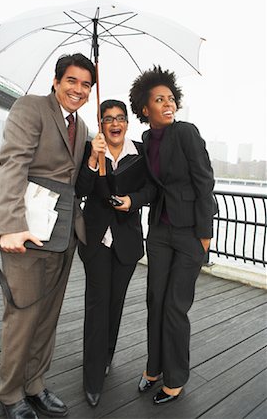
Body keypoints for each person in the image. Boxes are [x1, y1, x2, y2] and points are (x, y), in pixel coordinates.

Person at [0, 53, 96, 419]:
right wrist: (10, 226)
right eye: (72, 81)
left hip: (63, 234)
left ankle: (35, 384)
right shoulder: (30, 108)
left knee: (48, 317)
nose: (78, 90)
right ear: (56, 82)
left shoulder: (82, 127)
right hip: (26, 231)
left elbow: (75, 182)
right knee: (22, 316)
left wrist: (94, 159)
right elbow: (14, 164)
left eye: (86, 85)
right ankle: (10, 395)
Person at [129, 66, 217, 405]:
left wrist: (204, 234)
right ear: (144, 108)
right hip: (160, 232)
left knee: (175, 307)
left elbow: (204, 181)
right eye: (158, 99)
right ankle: (154, 368)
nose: (168, 104)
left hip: (190, 234)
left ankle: (175, 378)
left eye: (170, 98)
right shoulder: (148, 140)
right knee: (155, 301)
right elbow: (152, 187)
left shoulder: (186, 133)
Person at [75, 99, 156, 407]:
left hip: (126, 242)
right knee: (97, 306)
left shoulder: (140, 152)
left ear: (127, 122)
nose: (115, 123)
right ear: (100, 123)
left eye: (120, 118)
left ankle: (106, 356)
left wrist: (132, 201)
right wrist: (94, 161)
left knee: (115, 304)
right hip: (96, 240)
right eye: (108, 118)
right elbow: (81, 190)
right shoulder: (90, 149)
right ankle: (92, 377)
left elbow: (151, 190)